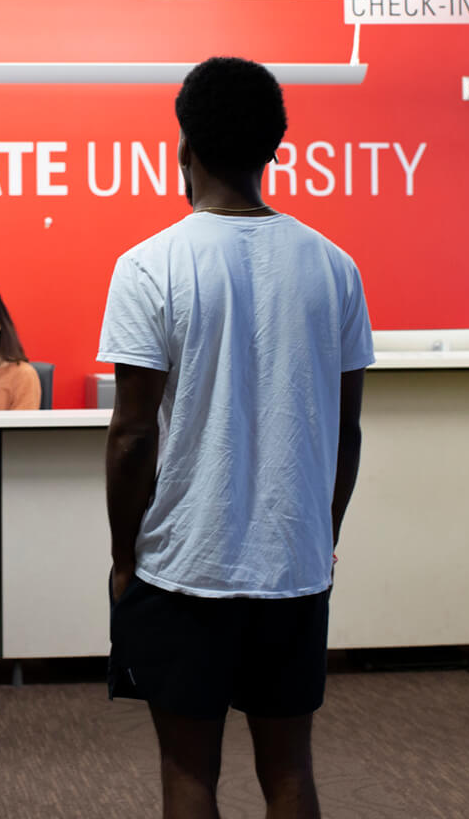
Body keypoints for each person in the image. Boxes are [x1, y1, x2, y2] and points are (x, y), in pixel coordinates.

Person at [98, 56, 372, 819]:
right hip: (294, 564)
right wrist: (323, 533)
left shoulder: (149, 266)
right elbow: (345, 431)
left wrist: (127, 559)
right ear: (273, 150)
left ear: (182, 147)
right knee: (289, 772)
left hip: (185, 565)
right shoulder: (335, 267)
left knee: (189, 773)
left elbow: (130, 437)